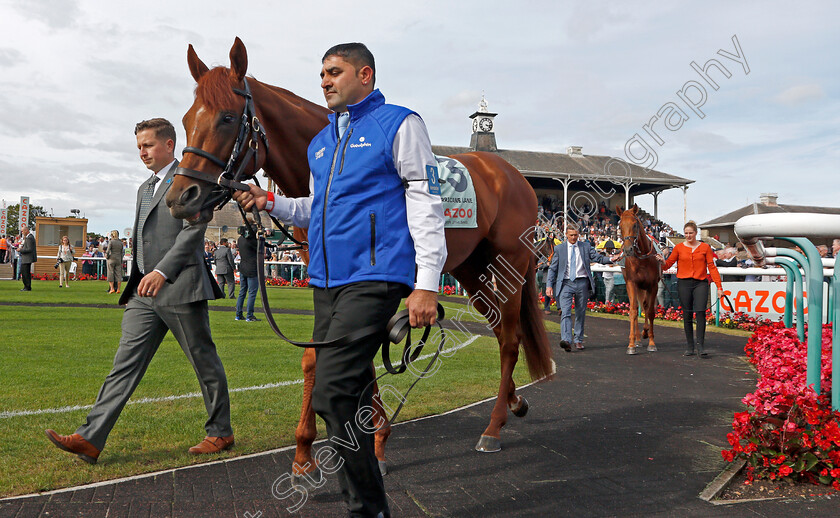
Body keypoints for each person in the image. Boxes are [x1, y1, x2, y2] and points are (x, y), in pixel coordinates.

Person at [232, 42, 446, 518]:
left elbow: (427, 203)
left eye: (335, 71)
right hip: (328, 282)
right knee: (342, 395)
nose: (325, 80)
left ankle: (367, 509)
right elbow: (316, 208)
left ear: (364, 75)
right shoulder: (321, 143)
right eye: (322, 73)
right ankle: (372, 507)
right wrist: (270, 204)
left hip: (377, 276)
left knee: (330, 390)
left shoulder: (401, 124)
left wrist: (427, 281)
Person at [45, 118, 233, 464]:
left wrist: (162, 271)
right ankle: (90, 438)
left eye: (147, 145)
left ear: (169, 145)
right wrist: (145, 275)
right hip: (143, 292)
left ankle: (220, 431)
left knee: (204, 362)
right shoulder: (143, 189)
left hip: (180, 287)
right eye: (139, 147)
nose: (142, 153)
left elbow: (193, 232)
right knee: (123, 364)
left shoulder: (190, 179)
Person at [658, 220, 723, 358]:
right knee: (687, 315)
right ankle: (690, 346)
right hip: (684, 283)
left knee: (700, 313)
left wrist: (719, 287)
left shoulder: (705, 247)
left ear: (695, 233)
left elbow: (712, 267)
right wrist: (662, 261)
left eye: (691, 233)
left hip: (700, 283)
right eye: (686, 233)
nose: (688, 235)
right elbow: (667, 265)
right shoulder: (678, 248)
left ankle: (700, 346)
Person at [545, 225, 613, 351]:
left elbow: (598, 258)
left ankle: (578, 339)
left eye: (576, 235)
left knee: (580, 313)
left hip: (582, 283)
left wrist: (611, 259)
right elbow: (553, 268)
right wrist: (549, 285)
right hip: (565, 284)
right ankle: (566, 340)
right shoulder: (559, 249)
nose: (573, 237)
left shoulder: (585, 246)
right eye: (571, 235)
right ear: (566, 235)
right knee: (565, 312)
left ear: (578, 235)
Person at [235, 226, 260, 322]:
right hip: (252, 268)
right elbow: (260, 248)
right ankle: (249, 315)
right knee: (252, 293)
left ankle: (238, 314)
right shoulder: (252, 241)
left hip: (243, 267)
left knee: (242, 292)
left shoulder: (240, 239)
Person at [18, 225, 37, 291]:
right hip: (26, 258)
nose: (22, 232)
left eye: (22, 231)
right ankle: (27, 286)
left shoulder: (29, 238)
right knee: (25, 273)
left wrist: (20, 250)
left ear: (26, 230)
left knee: (25, 273)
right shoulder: (29, 237)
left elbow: (29, 249)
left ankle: (27, 287)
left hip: (27, 258)